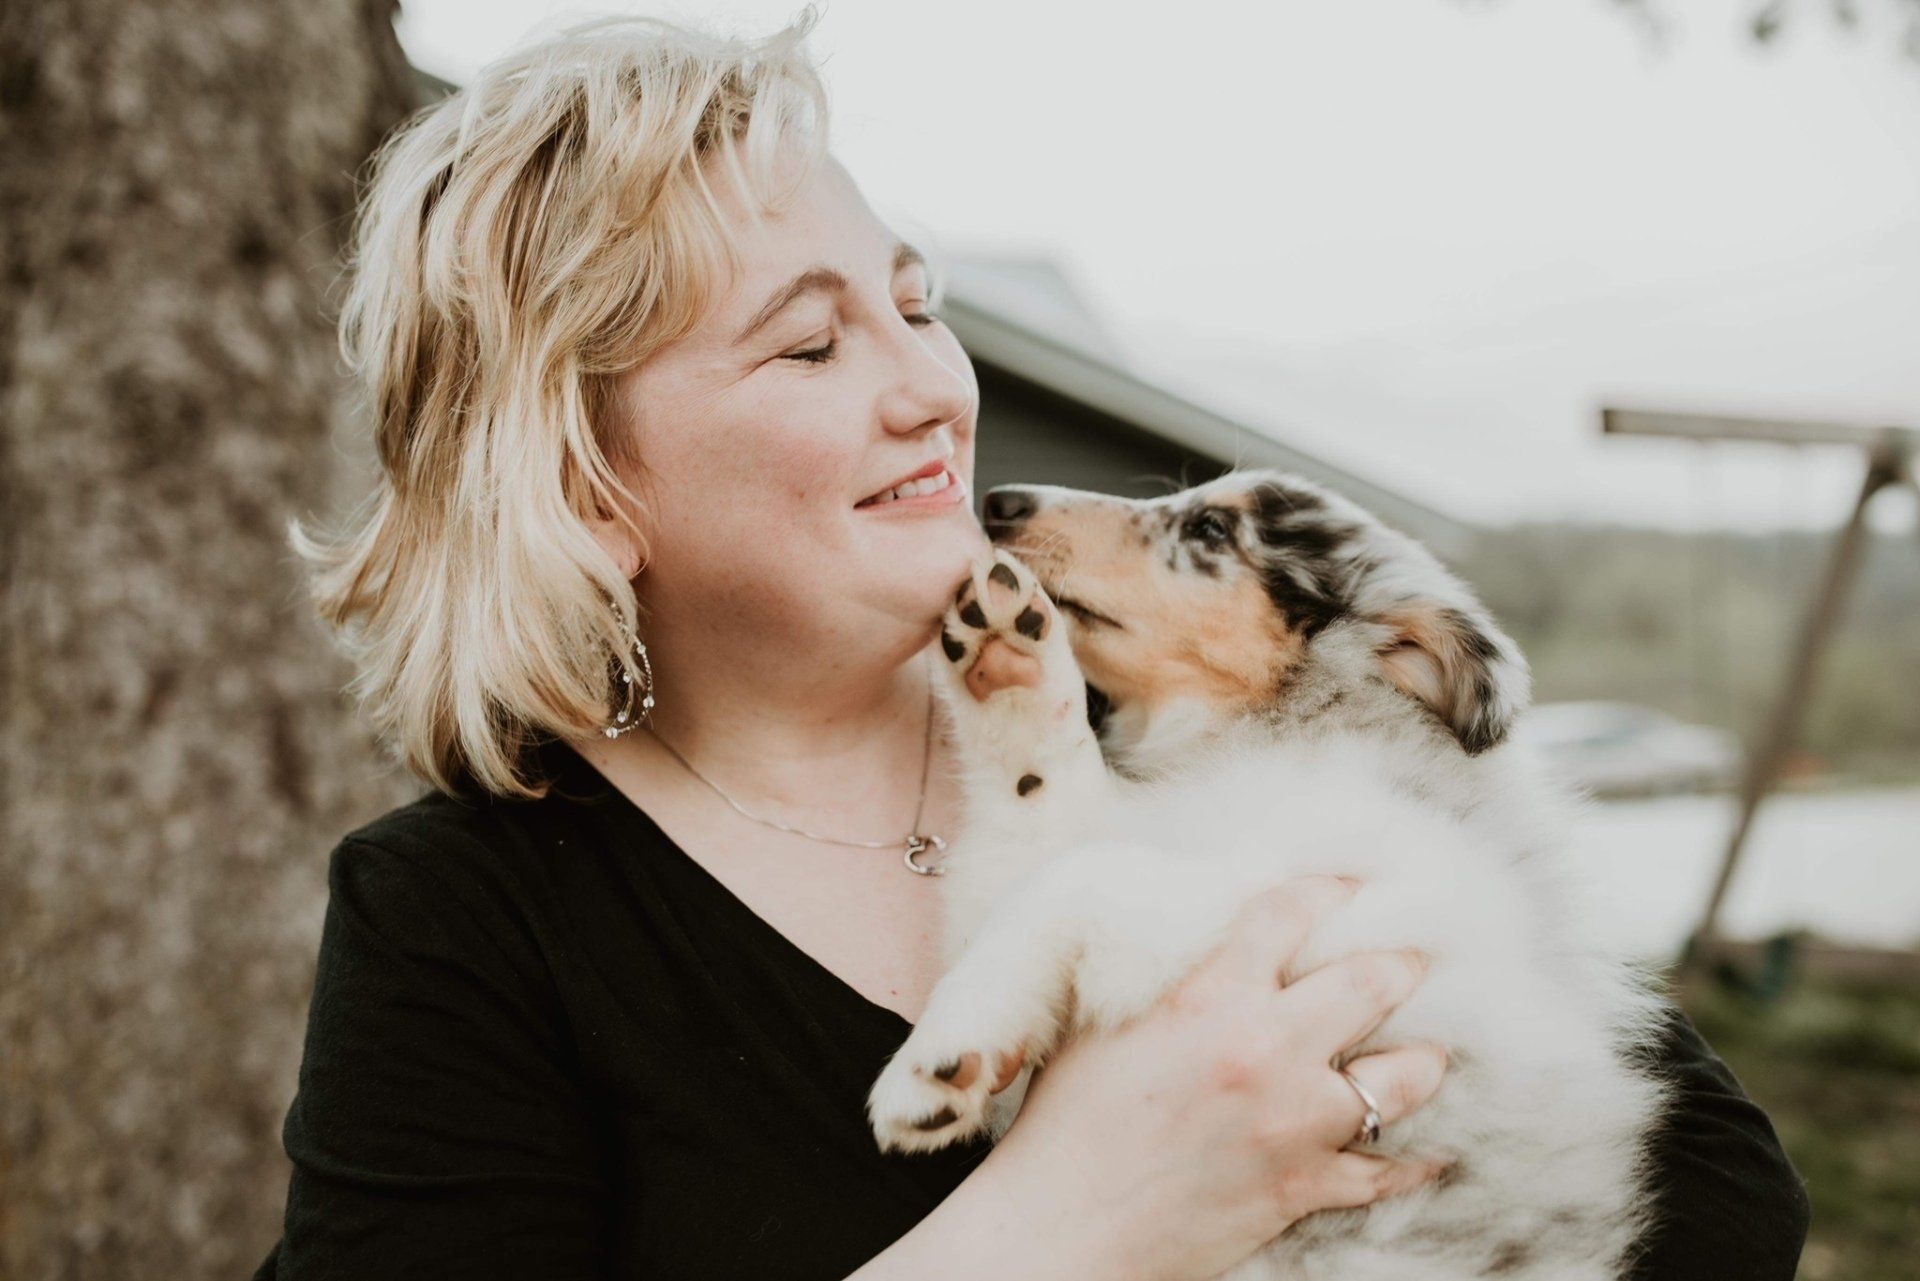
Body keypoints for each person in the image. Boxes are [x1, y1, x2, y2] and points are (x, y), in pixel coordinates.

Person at [254, 11, 1809, 1279]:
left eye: (916, 304)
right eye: (810, 341)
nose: (934, 384)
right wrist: (1073, 1219)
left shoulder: (1175, 722)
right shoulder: (464, 927)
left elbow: (1719, 1200)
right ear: (588, 491)